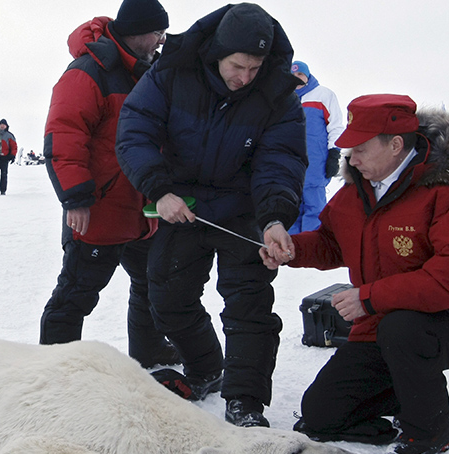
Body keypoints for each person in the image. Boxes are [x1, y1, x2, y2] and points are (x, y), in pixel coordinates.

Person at [260, 94, 449, 454]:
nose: (351, 159)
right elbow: (330, 242)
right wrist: (292, 249)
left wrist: (369, 297)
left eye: (359, 149)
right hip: (378, 325)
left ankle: (431, 431)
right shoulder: (355, 192)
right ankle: (405, 391)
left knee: (402, 328)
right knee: (320, 416)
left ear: (395, 145)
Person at [116, 3, 307, 425]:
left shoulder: (277, 92)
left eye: (255, 67)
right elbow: (135, 130)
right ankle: (206, 368)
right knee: (165, 295)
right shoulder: (172, 71)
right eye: (239, 65)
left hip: (246, 208)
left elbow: (281, 161)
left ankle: (245, 401)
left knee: (249, 306)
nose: (245, 77)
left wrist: (274, 218)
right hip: (184, 204)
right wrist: (159, 190)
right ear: (218, 52)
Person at [40, 0, 180, 368]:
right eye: (157, 33)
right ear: (138, 31)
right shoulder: (89, 71)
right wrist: (75, 199)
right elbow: (64, 137)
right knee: (76, 294)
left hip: (141, 210)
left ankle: (149, 351)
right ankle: (55, 368)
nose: (161, 40)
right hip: (98, 210)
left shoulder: (146, 73)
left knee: (151, 285)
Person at [288, 60, 344, 233]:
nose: (296, 78)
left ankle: (314, 250)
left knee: (315, 208)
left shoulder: (323, 95)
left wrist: (334, 153)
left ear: (307, 76)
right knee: (290, 208)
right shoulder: (282, 99)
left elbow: (335, 126)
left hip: (315, 165)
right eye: (292, 75)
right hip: (289, 165)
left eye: (300, 75)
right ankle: (292, 253)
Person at [0, 119, 18, 195]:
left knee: (4, 175)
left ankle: (3, 190)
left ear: (6, 126)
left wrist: (12, 155)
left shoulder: (9, 135)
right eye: (1, 124)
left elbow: (14, 147)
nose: (2, 126)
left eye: (3, 125)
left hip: (4, 158)